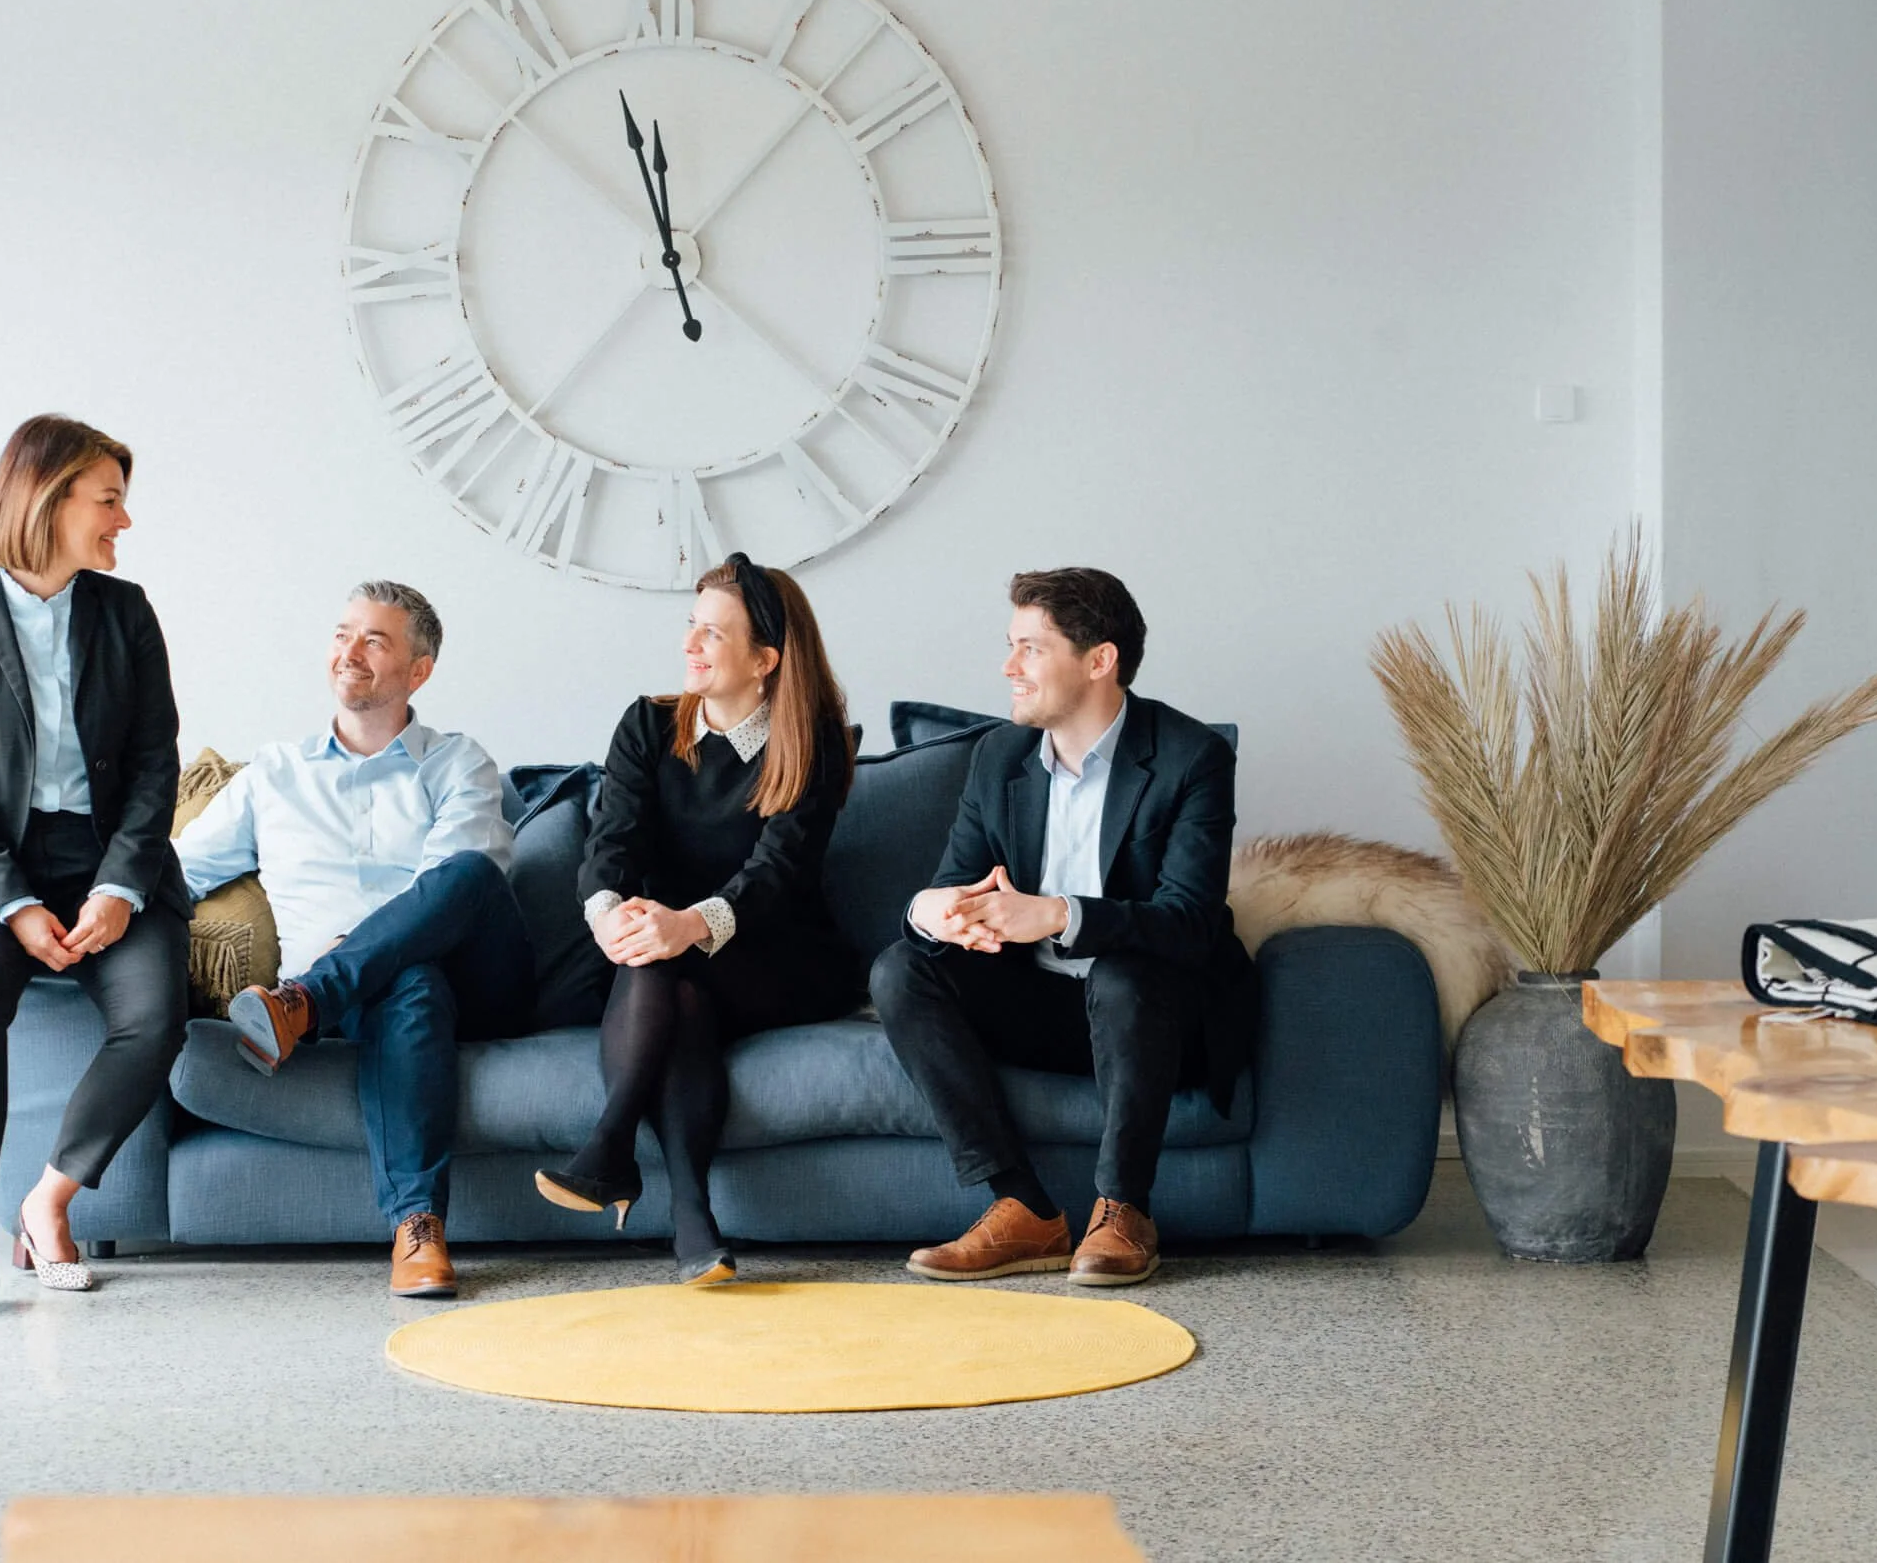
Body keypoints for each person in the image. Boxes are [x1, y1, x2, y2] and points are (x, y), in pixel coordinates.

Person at [871, 567, 1256, 1289]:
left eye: (1031, 648)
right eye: (1010, 645)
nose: (1008, 667)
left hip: (1157, 1017)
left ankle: (1123, 1212)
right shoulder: (998, 757)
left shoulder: (1190, 758)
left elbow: (1190, 925)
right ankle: (1021, 1209)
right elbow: (953, 883)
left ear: (1099, 660)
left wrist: (1057, 914)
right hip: (1044, 1007)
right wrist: (932, 912)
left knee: (1123, 969)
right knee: (901, 968)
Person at [0, 415, 192, 1322]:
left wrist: (118, 885)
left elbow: (155, 764)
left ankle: (49, 1203)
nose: (123, 522)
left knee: (155, 1012)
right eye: (108, 501)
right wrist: (15, 903)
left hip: (108, 859)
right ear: (49, 497)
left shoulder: (125, 611)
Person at [173, 583, 532, 1299]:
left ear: (419, 670)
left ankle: (302, 1001)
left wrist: (350, 953)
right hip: (388, 998)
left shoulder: (457, 762)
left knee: (464, 877)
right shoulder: (273, 775)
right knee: (409, 983)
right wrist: (95, 907)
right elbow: (178, 875)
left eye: (376, 640)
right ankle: (417, 1229)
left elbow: (452, 889)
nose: (351, 651)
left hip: (477, 980)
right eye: (343, 634)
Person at [536, 554, 862, 1285]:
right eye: (692, 625)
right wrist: (607, 917)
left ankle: (613, 1146)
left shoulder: (812, 743)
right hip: (661, 951)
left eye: (713, 634)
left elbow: (778, 874)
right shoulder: (648, 727)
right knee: (671, 984)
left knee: (668, 962)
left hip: (774, 955)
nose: (690, 644)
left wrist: (690, 924)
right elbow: (609, 844)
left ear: (765, 660)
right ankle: (693, 1221)